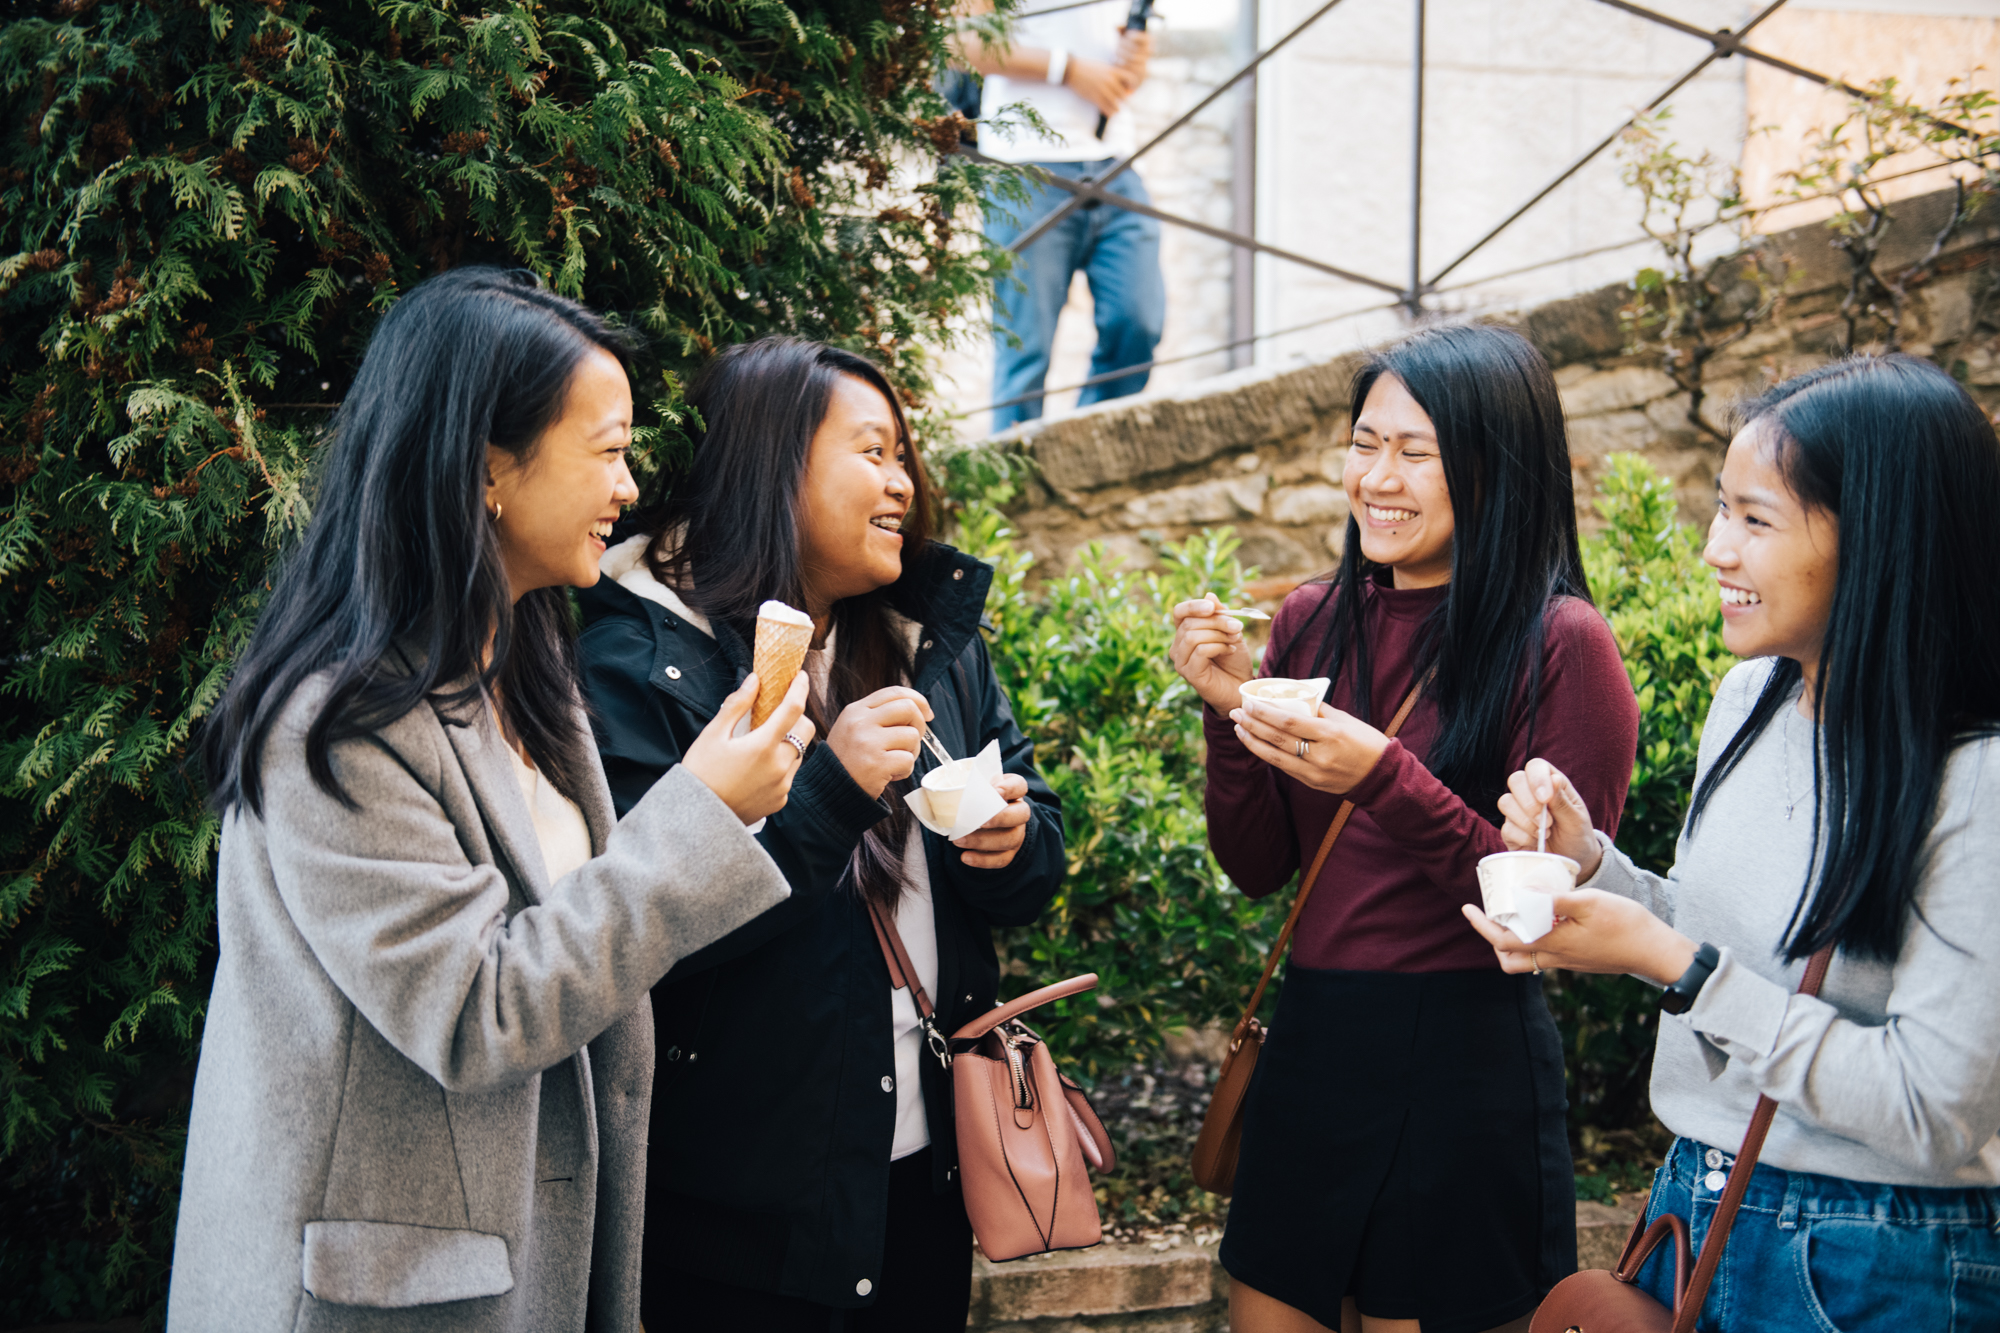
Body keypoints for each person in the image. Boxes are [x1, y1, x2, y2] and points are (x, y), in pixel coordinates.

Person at [172, 268, 812, 1332]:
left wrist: (715, 804)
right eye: (606, 449)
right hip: (367, 1298)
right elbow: (476, 1013)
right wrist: (699, 813)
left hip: (530, 1271)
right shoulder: (333, 724)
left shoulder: (528, 673)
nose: (627, 487)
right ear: (486, 471)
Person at [1466, 355, 2000, 1333]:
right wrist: (1597, 869)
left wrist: (1669, 963)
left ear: (1878, 536)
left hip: (1878, 1256)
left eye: (1754, 519)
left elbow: (1933, 1111)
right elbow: (1727, 947)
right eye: (1720, 509)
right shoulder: (1750, 699)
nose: (1714, 547)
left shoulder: (1975, 775)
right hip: (1696, 1207)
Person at [574, 336, 1066, 1330]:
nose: (901, 484)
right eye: (871, 452)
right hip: (734, 1218)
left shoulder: (929, 649)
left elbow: (1033, 852)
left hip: (922, 1184)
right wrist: (831, 784)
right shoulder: (642, 665)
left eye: (904, 458)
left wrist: (1011, 847)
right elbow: (646, 943)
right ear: (774, 466)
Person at [1169, 324, 1641, 1333]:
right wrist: (1225, 710)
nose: (1377, 477)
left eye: (1414, 452)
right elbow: (1256, 867)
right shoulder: (1309, 619)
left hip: (1461, 1070)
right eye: (1363, 443)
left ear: (1493, 465)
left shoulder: (1560, 644)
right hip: (1313, 1047)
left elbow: (1551, 917)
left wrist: (1385, 777)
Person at [951, 0, 1165, 433]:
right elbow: (962, 43)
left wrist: (1135, 59)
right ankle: (1015, 491)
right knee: (1025, 353)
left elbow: (1127, 69)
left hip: (1114, 162)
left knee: (1137, 323)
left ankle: (1088, 451)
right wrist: (1068, 69)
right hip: (1023, 170)